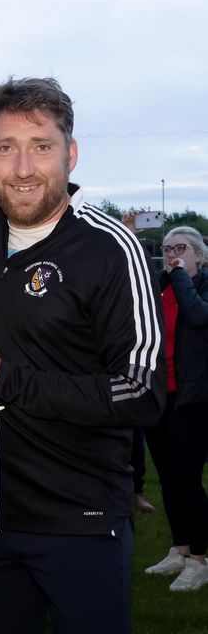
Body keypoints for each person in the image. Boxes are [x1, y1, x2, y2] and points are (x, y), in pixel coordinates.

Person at [0, 77, 166, 634]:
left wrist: (5, 378)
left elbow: (141, 391)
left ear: (70, 153)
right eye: (6, 147)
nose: (23, 167)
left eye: (41, 146)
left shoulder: (109, 247)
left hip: (79, 520)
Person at [142, 226, 208, 590]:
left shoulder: (196, 286)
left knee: (187, 480)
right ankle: (180, 549)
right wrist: (169, 275)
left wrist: (180, 274)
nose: (171, 254)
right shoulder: (163, 284)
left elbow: (198, 316)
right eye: (167, 249)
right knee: (168, 479)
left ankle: (200, 558)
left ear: (199, 253)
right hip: (159, 396)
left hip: (192, 399)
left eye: (180, 248)